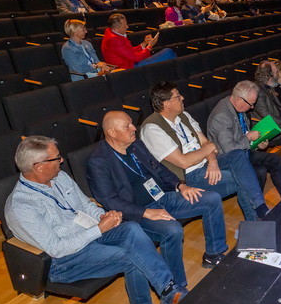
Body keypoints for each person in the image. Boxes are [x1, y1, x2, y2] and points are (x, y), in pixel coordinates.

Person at [5, 136, 187, 304]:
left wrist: (104, 217)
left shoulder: (59, 177)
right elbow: (57, 248)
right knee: (132, 257)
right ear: (38, 167)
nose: (62, 160)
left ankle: (168, 290)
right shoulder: (22, 207)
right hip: (64, 260)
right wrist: (100, 229)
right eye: (56, 158)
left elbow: (84, 204)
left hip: (89, 234)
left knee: (132, 229)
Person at [87, 111, 229, 270]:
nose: (134, 128)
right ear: (112, 132)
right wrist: (146, 212)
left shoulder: (136, 145)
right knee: (173, 230)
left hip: (162, 197)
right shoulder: (98, 162)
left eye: (132, 123)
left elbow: (159, 169)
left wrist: (180, 185)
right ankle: (174, 282)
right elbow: (110, 201)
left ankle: (214, 254)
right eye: (127, 126)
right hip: (138, 213)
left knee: (212, 199)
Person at [139, 82, 270, 221]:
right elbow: (184, 161)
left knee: (238, 155)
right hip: (188, 176)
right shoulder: (152, 129)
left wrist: (212, 162)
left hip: (205, 163)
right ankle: (255, 220)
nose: (182, 98)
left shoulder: (184, 116)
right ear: (166, 104)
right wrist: (208, 149)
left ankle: (259, 207)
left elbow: (206, 143)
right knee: (243, 178)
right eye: (177, 96)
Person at [206, 81, 281, 195]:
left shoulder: (238, 107)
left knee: (276, 160)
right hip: (229, 159)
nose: (252, 107)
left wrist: (257, 142)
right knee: (259, 171)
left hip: (244, 151)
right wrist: (248, 138)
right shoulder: (221, 117)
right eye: (251, 104)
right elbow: (229, 149)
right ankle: (255, 204)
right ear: (239, 99)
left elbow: (244, 132)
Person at [101, 13, 176, 69]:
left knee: (168, 53)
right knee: (168, 52)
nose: (127, 27)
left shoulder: (112, 33)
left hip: (130, 63)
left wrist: (144, 44)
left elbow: (128, 52)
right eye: (124, 26)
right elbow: (136, 58)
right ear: (116, 29)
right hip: (129, 68)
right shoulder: (114, 40)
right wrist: (149, 47)